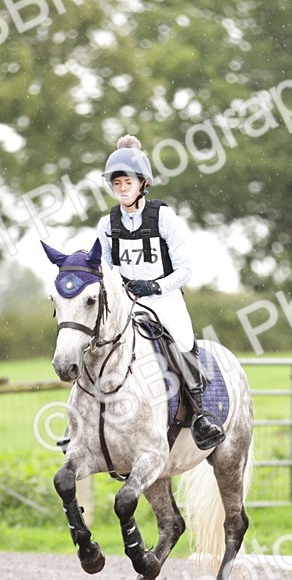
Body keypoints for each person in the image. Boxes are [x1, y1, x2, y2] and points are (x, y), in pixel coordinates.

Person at [96, 134, 226, 450]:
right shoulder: (106, 224)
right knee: (94, 342)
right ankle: (87, 420)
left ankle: (200, 415)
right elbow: (105, 268)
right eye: (117, 183)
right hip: (128, 303)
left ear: (142, 183)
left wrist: (155, 285)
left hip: (164, 299)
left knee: (181, 340)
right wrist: (121, 289)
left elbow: (185, 270)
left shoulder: (162, 216)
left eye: (127, 182)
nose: (122, 188)